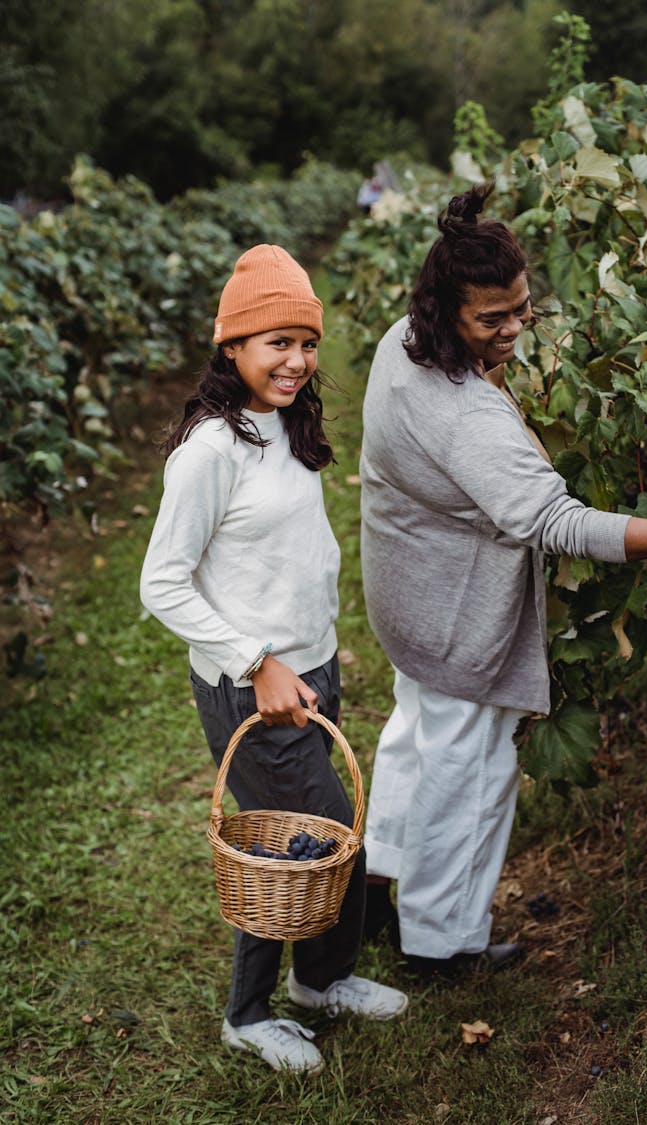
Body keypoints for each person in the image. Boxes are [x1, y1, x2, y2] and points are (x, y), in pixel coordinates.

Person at [358, 181, 647, 981]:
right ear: (444, 312)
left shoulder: (399, 345)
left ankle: (372, 886)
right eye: (494, 319)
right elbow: (562, 524)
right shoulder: (463, 418)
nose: (516, 328)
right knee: (471, 775)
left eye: (523, 308)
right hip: (456, 617)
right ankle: (437, 945)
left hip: (403, 595)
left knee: (417, 742)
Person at [140, 244, 407, 1076]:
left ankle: (319, 981)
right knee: (295, 846)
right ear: (232, 349)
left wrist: (314, 653)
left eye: (306, 342)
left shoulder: (286, 426)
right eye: (275, 343)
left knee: (316, 836)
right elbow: (161, 582)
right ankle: (248, 1013)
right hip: (254, 688)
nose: (296, 361)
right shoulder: (209, 452)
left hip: (308, 674)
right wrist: (257, 660)